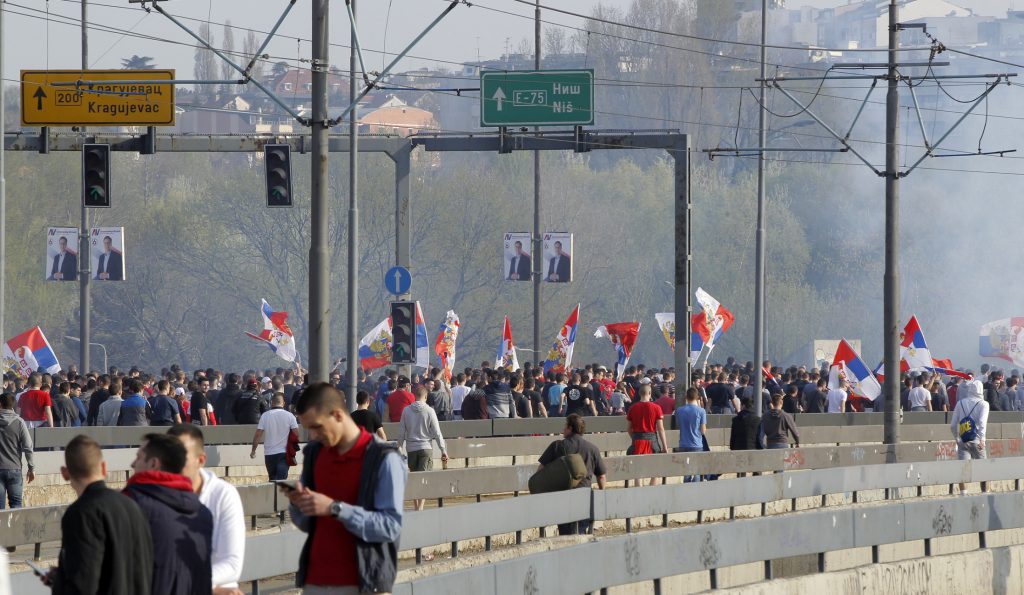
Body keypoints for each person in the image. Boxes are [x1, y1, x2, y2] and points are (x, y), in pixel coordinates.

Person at [285, 383, 407, 594]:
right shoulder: (315, 454)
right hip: (314, 582)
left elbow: (390, 526)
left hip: (363, 585)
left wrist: (335, 508)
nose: (313, 435)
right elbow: (306, 523)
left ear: (338, 415)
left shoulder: (384, 459)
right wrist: (299, 505)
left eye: (317, 427)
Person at [44, 435, 152, 594]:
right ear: (103, 468)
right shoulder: (132, 505)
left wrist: (59, 584)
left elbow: (82, 584)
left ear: (65, 473)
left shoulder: (80, 514)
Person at [124, 433, 213, 595]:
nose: (133, 464)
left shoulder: (130, 504)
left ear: (154, 463)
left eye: (139, 457)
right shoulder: (204, 513)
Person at [168, 425, 246, 595]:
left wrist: (190, 583)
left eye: (180, 458)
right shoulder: (156, 497)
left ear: (201, 460)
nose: (172, 465)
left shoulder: (223, 495)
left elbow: (232, 564)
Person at [537, 414, 606, 534]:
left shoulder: (557, 446)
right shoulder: (592, 449)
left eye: (565, 426)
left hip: (563, 497)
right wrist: (601, 495)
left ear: (570, 428)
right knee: (581, 532)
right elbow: (601, 476)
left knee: (565, 533)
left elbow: (540, 470)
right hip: (584, 497)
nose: (563, 429)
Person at [398, 385, 448, 511]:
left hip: (411, 448)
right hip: (426, 448)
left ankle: (416, 507)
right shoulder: (429, 411)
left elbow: (401, 432)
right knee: (423, 479)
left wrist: (399, 447)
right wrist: (443, 450)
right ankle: (420, 508)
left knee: (415, 479)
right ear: (425, 397)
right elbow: (437, 432)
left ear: (415, 396)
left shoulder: (406, 411)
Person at [950, 379, 989, 493]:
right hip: (977, 440)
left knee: (963, 470)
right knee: (984, 470)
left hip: (963, 440)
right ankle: (984, 493)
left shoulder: (960, 403)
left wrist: (957, 438)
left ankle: (963, 495)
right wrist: (982, 439)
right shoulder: (984, 404)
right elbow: (982, 423)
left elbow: (953, 425)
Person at [250, 393, 299, 481]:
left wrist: (253, 450)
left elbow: (258, 435)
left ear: (271, 402)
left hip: (269, 454)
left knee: (272, 480)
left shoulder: (265, 416)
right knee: (281, 481)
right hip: (283, 454)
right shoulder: (290, 416)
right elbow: (296, 434)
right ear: (283, 403)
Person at [625, 384, 667, 486]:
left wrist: (634, 438)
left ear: (640, 393)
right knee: (655, 468)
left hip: (637, 440)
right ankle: (651, 488)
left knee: (637, 469)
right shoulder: (656, 408)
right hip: (652, 440)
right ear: (650, 393)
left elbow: (629, 429)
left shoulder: (632, 408)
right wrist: (665, 446)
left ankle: (638, 489)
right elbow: (661, 429)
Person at [0, 393, 34, 509]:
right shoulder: (19, 422)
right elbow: (28, 447)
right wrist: (31, 468)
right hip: (15, 468)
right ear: (12, 405)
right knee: (16, 506)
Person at [674, 387, 707, 482]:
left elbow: (678, 425)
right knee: (696, 471)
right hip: (697, 444)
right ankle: (695, 488)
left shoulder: (679, 410)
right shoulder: (701, 411)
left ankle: (686, 488)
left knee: (686, 471)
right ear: (697, 397)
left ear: (686, 397)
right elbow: (703, 431)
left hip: (683, 444)